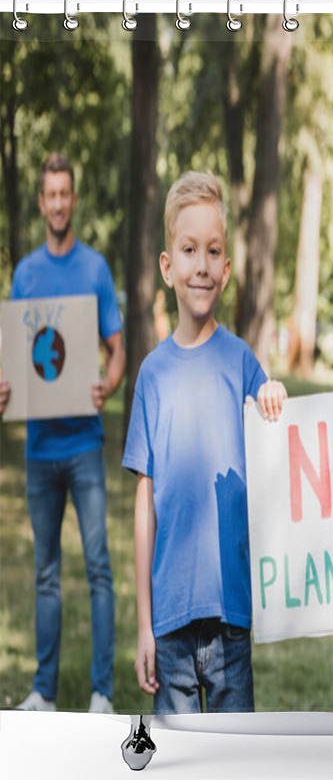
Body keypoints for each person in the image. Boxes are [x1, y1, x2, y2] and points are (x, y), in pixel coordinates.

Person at [122, 171, 287, 714]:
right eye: (189, 250)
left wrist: (275, 395)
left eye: (213, 251)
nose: (201, 264)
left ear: (227, 269)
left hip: (232, 621)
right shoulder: (151, 375)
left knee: (236, 763)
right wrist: (144, 623)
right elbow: (144, 503)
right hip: (169, 625)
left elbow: (277, 437)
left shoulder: (242, 363)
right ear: (167, 266)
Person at [0, 153, 125, 713]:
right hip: (40, 449)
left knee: (98, 567)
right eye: (48, 194)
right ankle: (44, 692)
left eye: (63, 194)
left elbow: (116, 350)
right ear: (42, 199)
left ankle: (102, 692)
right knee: (45, 572)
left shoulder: (94, 269)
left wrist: (109, 385)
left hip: (84, 444)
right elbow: (16, 358)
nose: (56, 203)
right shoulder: (24, 274)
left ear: (73, 199)